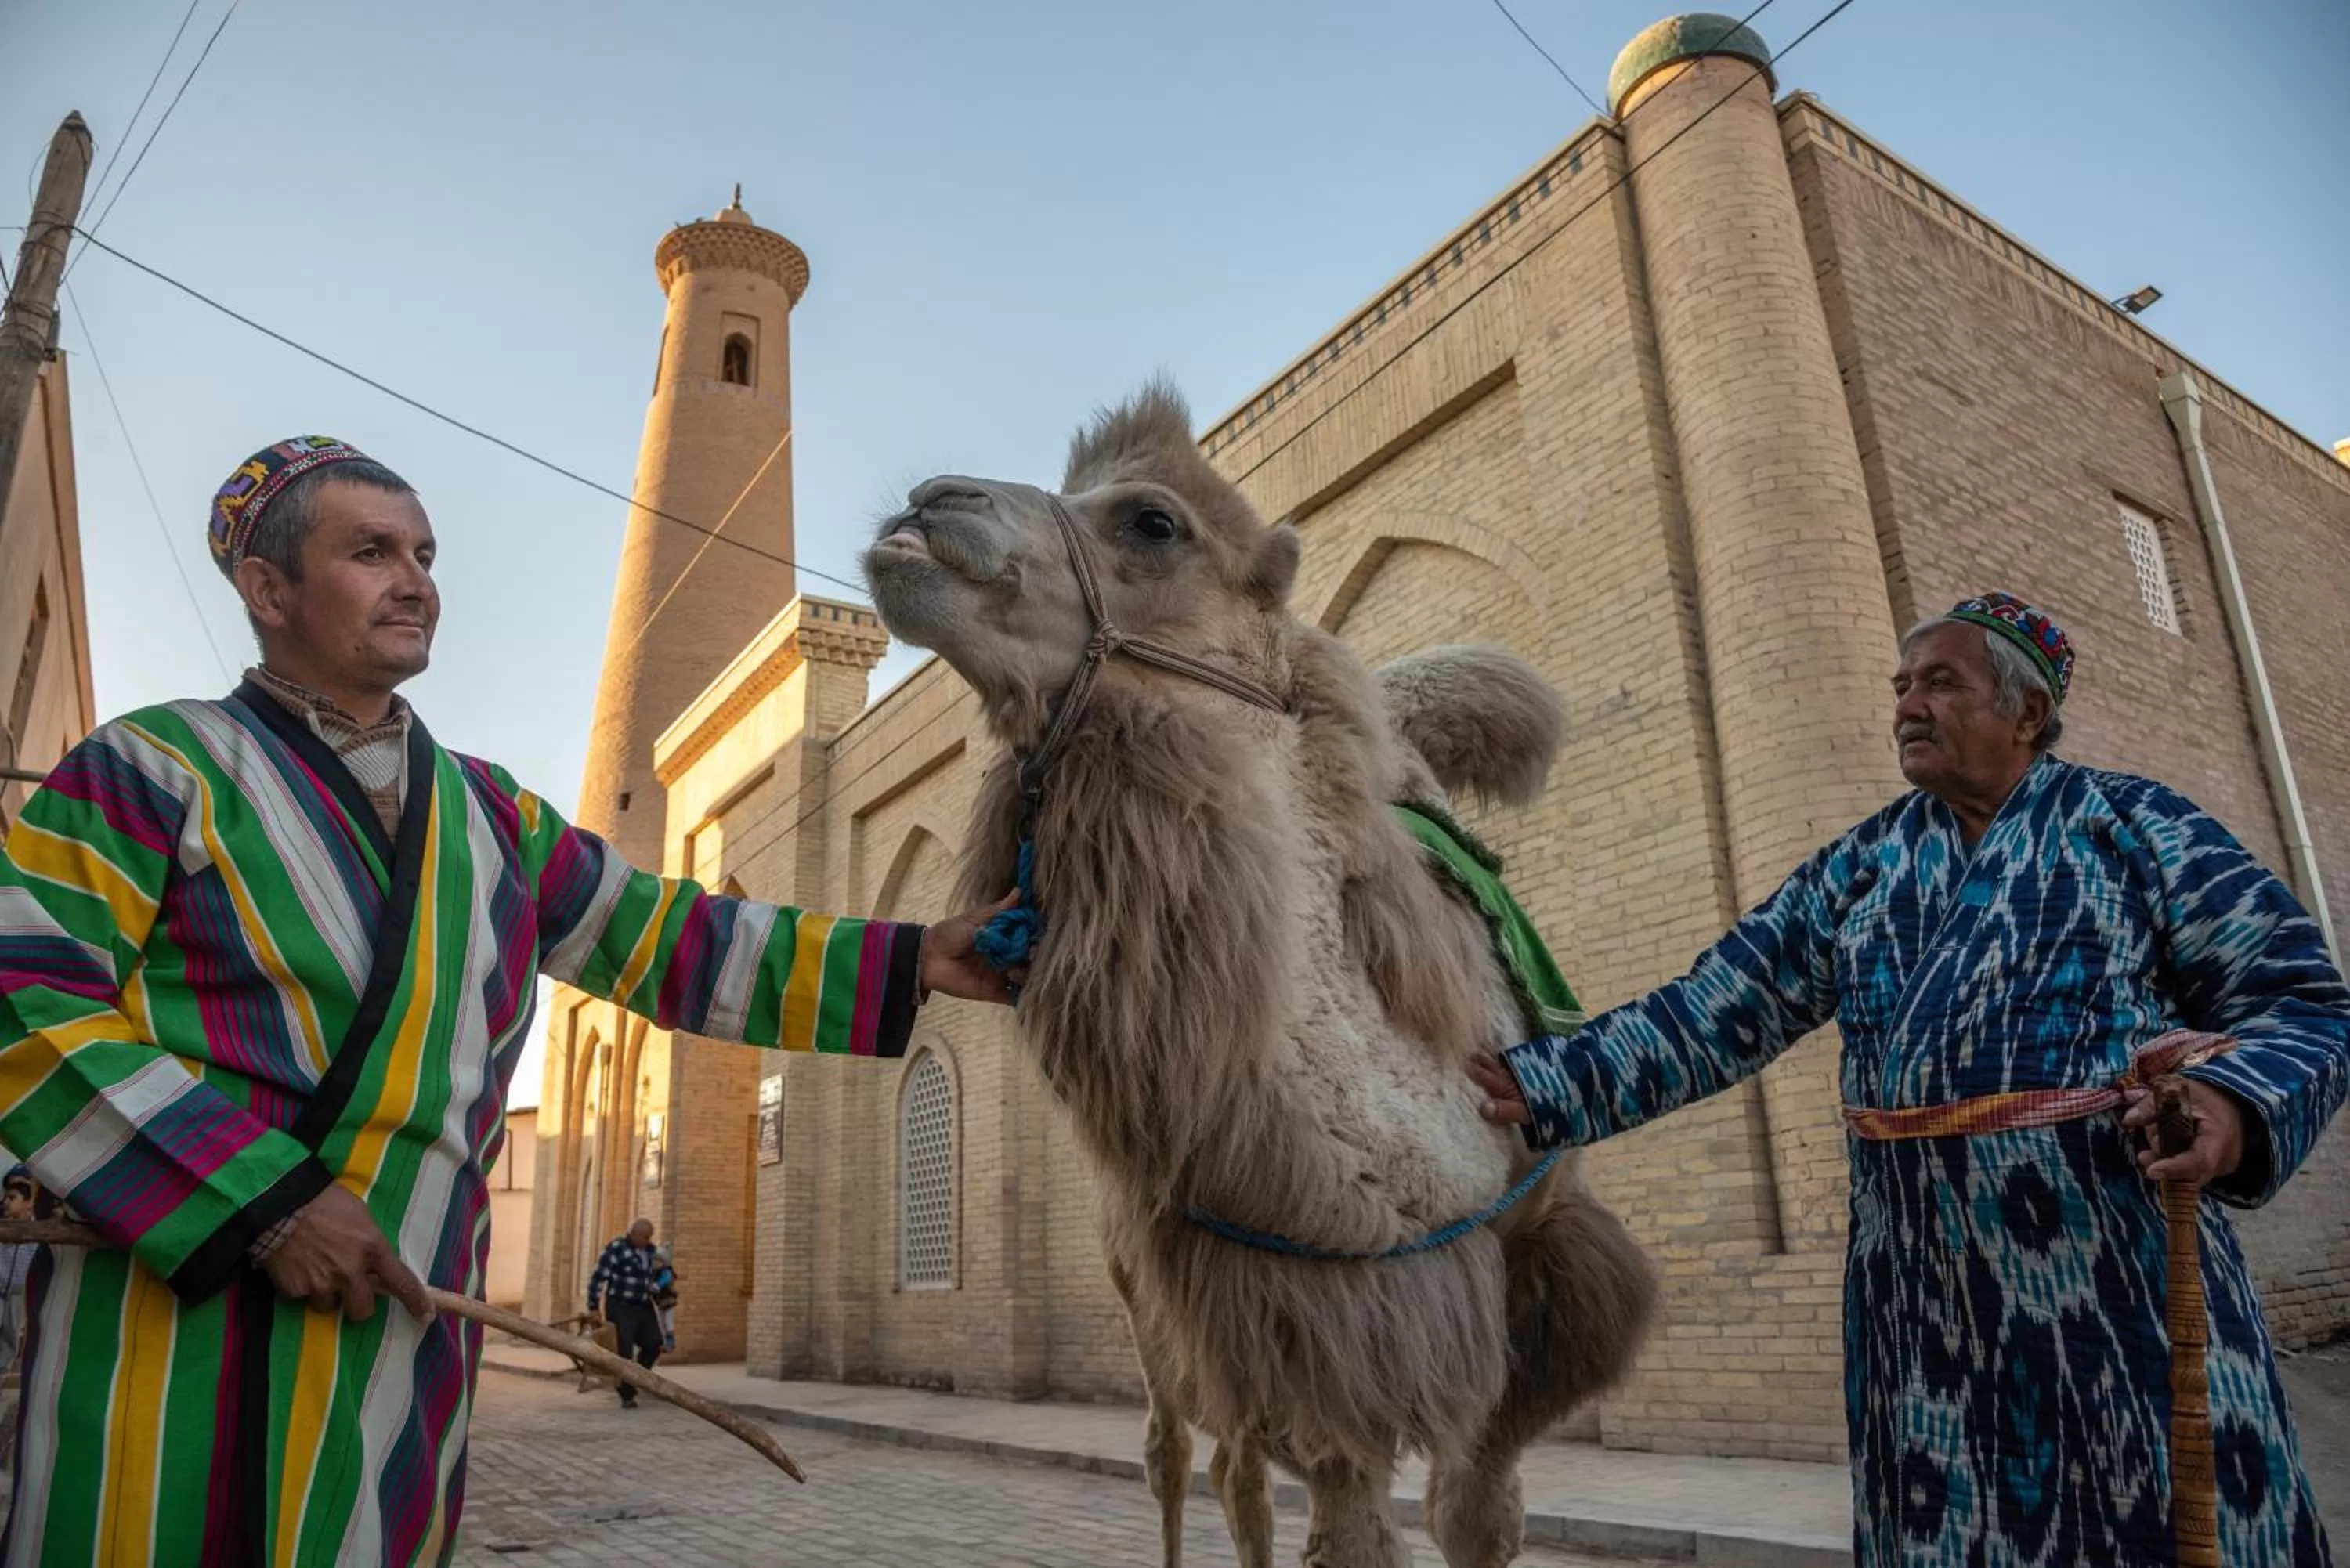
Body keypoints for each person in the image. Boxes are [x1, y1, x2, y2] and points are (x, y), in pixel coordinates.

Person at [0, 437, 1018, 1566]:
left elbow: (682, 940)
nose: (416, 580)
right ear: (268, 587)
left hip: (400, 1346)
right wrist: (263, 1201)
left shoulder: (491, 818)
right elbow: (24, 999)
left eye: (425, 553)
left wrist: (920, 954)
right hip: (166, 1331)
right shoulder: (151, 768)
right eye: (371, 551)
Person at [1474, 592, 2348, 1566]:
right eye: (1900, 686)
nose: (1906, 706)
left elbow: (2305, 1002)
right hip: (1923, 1315)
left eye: (1940, 682)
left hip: (2119, 1292)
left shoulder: (2138, 829)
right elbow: (1714, 1011)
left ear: (2026, 713)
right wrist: (1544, 1081)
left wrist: (2234, 1105)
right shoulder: (1862, 868)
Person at [585, 1219, 664, 1404]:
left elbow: (658, 1275)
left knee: (654, 1344)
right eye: (644, 1237)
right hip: (621, 1306)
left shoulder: (651, 1251)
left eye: (649, 1237)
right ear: (633, 1233)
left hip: (643, 1305)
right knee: (624, 1349)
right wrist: (593, 1307)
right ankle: (626, 1393)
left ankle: (635, 1377)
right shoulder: (616, 1249)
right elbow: (598, 1278)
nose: (647, 1240)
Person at [649, 1243, 679, 1353]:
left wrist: (657, 1285)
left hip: (669, 1302)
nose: (655, 1263)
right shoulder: (653, 1272)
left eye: (658, 1261)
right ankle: (664, 1343)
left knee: (668, 1323)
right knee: (661, 1324)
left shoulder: (666, 1272)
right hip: (659, 1303)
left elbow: (666, 1279)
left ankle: (671, 1343)